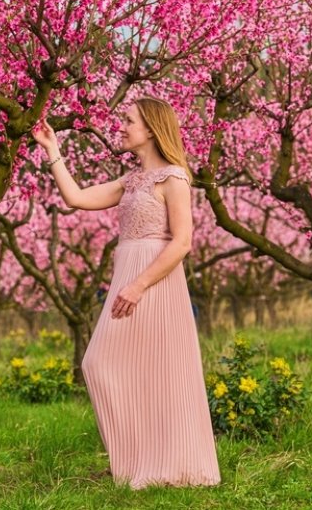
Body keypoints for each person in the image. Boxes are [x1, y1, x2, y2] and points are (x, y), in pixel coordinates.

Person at [31, 97, 221, 490]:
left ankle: (169, 466)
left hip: (154, 282)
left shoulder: (175, 178)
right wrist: (53, 151)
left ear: (151, 129)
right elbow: (77, 199)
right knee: (99, 364)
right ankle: (135, 462)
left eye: (128, 121)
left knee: (161, 371)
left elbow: (182, 242)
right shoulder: (131, 180)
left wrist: (139, 285)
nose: (121, 126)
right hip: (127, 278)